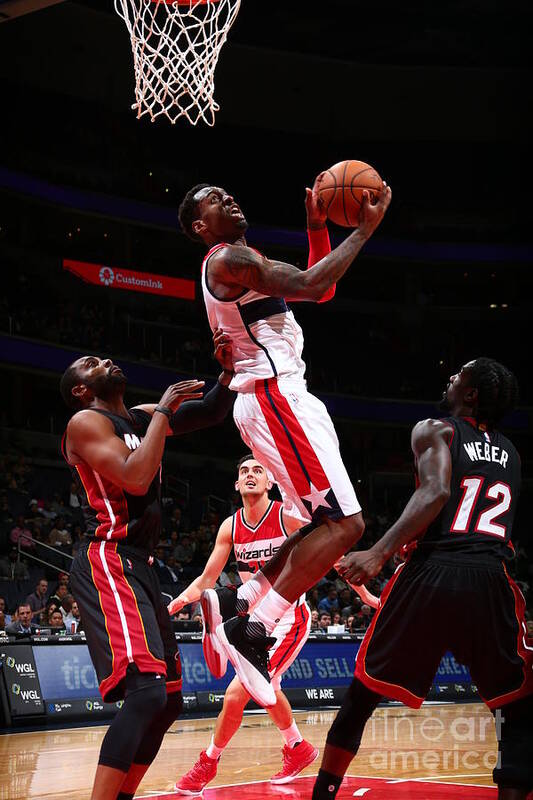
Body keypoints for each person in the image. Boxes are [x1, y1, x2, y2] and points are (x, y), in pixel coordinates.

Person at [177, 177, 391, 706]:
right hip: (275, 397)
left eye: (230, 192)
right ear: (202, 227)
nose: (230, 198)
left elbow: (321, 285)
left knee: (324, 524)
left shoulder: (241, 260)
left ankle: (242, 601)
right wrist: (363, 231)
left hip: (274, 398)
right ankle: (255, 630)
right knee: (348, 526)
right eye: (215, 201)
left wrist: (318, 228)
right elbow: (316, 285)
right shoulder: (226, 259)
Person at [312, 358, 532, 800]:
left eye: (461, 374)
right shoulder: (512, 452)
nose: (452, 376)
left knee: (362, 695)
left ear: (470, 395)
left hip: (431, 572)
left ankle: (324, 793)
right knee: (516, 709)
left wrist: (378, 552)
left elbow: (435, 492)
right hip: (491, 580)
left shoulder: (437, 429)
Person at [60, 329, 236, 800]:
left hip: (141, 564)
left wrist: (228, 366)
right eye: (93, 361)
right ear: (81, 388)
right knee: (146, 694)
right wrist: (161, 410)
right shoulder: (85, 421)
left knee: (169, 699)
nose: (107, 359)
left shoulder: (137, 418)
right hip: (107, 559)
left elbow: (215, 409)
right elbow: (137, 480)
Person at [169, 455, 318, 793]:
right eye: (244, 471)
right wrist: (173, 606)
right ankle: (298, 748)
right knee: (269, 689)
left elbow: (330, 551)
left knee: (236, 693)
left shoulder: (286, 516)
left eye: (257, 471)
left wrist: (365, 592)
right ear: (237, 484)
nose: (250, 475)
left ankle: (208, 763)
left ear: (270, 482)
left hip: (288, 619)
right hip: (254, 621)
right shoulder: (230, 526)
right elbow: (207, 578)